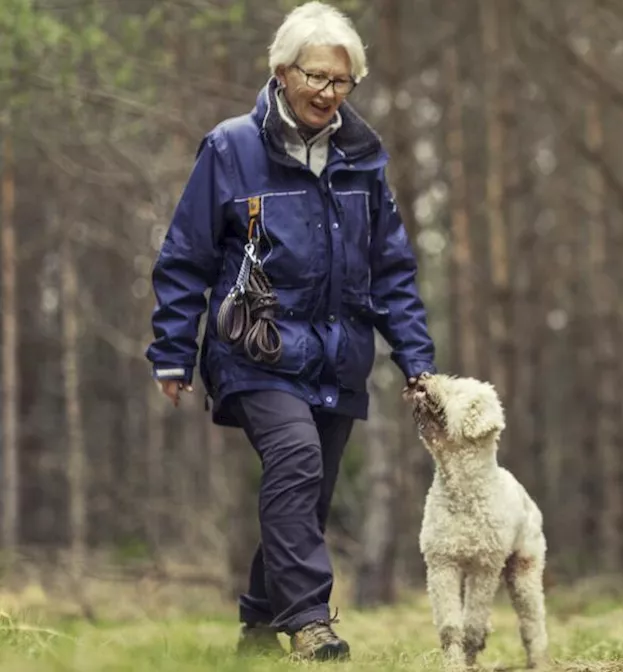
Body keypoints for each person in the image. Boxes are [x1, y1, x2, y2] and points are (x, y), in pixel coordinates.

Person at [144, 1, 437, 661]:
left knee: (306, 496)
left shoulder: (363, 157)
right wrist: (172, 354)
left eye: (342, 83)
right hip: (255, 349)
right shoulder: (230, 149)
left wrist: (417, 360)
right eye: (317, 78)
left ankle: (256, 624)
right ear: (281, 73)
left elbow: (390, 267)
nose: (329, 95)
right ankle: (309, 622)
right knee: (297, 463)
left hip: (338, 356)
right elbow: (185, 256)